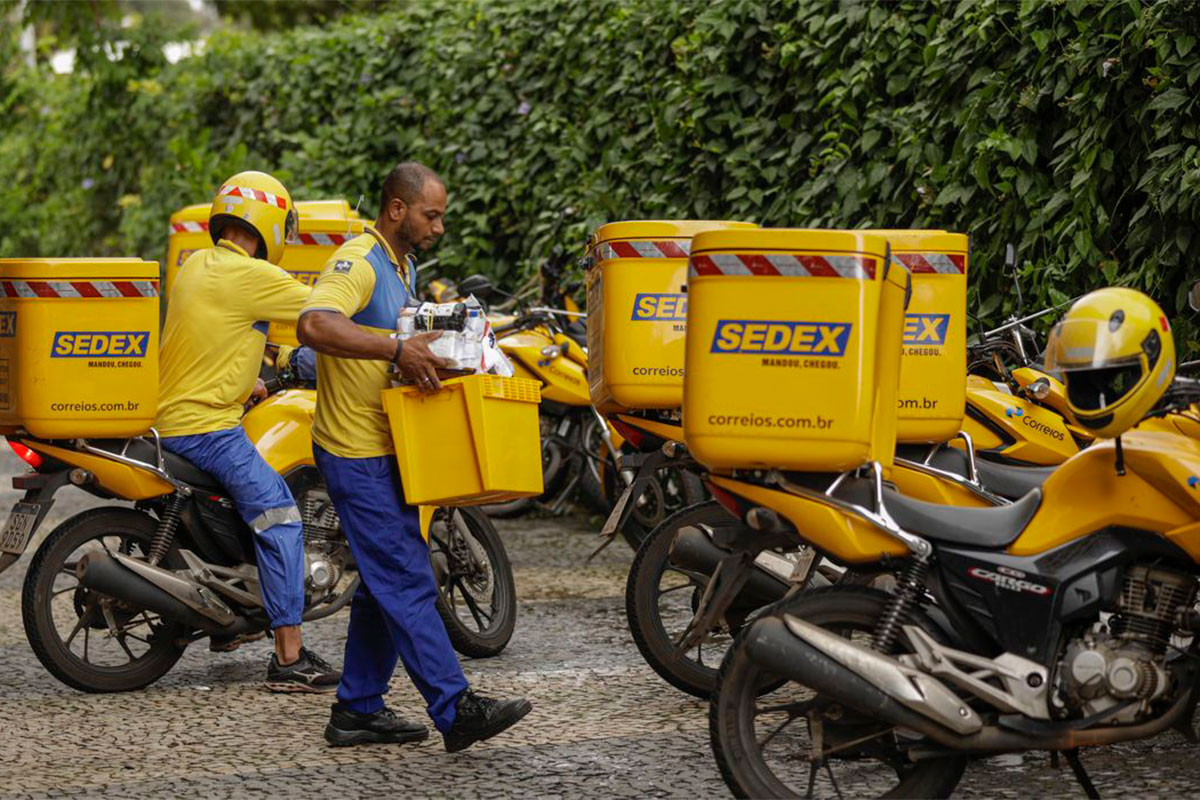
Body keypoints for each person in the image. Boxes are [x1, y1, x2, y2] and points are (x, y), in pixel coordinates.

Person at [297, 161, 532, 751]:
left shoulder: (403, 267)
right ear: (397, 209)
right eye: (431, 215)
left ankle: (357, 709)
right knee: (405, 576)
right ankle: (456, 709)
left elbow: (395, 348)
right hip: (354, 451)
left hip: (390, 446)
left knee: (383, 582)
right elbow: (315, 325)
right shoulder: (359, 261)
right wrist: (397, 349)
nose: (439, 227)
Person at [156, 170, 341, 693]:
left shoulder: (197, 266)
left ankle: (231, 622)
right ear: (271, 222)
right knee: (281, 518)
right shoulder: (252, 275)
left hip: (171, 418)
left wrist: (251, 381)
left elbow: (218, 336)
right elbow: (324, 313)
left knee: (244, 508)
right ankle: (289, 658)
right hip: (206, 428)